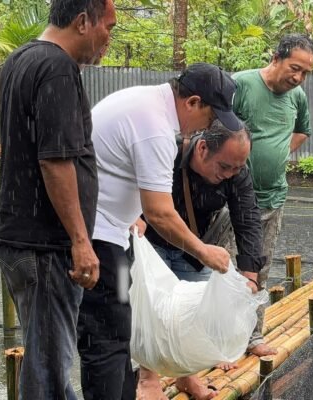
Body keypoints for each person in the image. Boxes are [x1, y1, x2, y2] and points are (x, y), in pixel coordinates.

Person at [77, 63, 245, 400]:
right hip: (98, 236)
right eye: (210, 117)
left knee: (116, 335)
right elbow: (160, 213)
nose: (208, 127)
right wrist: (204, 251)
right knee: (107, 342)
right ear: (193, 102)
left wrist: (132, 213)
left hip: (109, 230)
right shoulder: (155, 128)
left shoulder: (145, 103)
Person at [0, 1, 116, 399]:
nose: (109, 39)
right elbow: (55, 161)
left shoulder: (22, 57)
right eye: (108, 27)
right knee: (47, 372)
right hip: (42, 243)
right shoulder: (57, 68)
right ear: (82, 22)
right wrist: (80, 241)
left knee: (47, 359)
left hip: (18, 232)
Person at [141, 121, 264, 399]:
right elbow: (134, 189)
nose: (231, 174)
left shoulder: (236, 171)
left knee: (195, 311)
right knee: (151, 309)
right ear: (203, 148)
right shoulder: (166, 152)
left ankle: (186, 375)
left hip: (199, 243)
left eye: (237, 168)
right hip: (154, 238)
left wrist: (250, 274)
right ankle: (147, 379)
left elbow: (247, 217)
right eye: (224, 167)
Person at [231, 33, 313, 356]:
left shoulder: (298, 97)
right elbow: (213, 131)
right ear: (276, 58)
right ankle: (220, 342)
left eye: (305, 72)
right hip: (233, 200)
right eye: (294, 68)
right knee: (225, 272)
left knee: (261, 269)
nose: (298, 77)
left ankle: (252, 337)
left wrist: (278, 153)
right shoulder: (240, 85)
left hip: (272, 198)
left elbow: (302, 131)